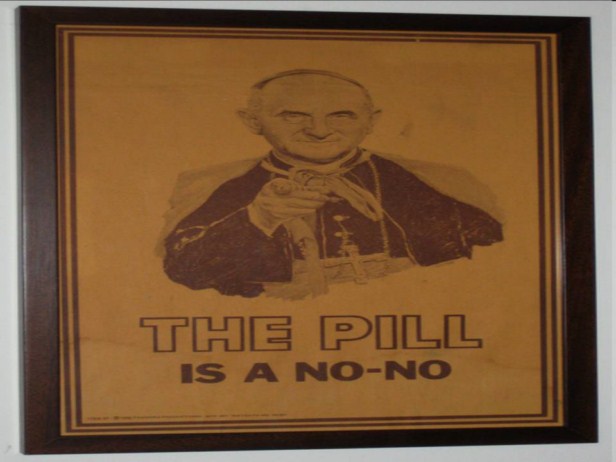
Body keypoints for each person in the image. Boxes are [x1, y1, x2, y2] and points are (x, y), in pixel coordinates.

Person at [163, 69, 503, 298]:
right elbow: (184, 272)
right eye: (293, 115)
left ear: (371, 121)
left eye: (341, 115)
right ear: (252, 121)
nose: (319, 131)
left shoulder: (434, 181)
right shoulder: (218, 185)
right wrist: (258, 219)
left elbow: (490, 265)